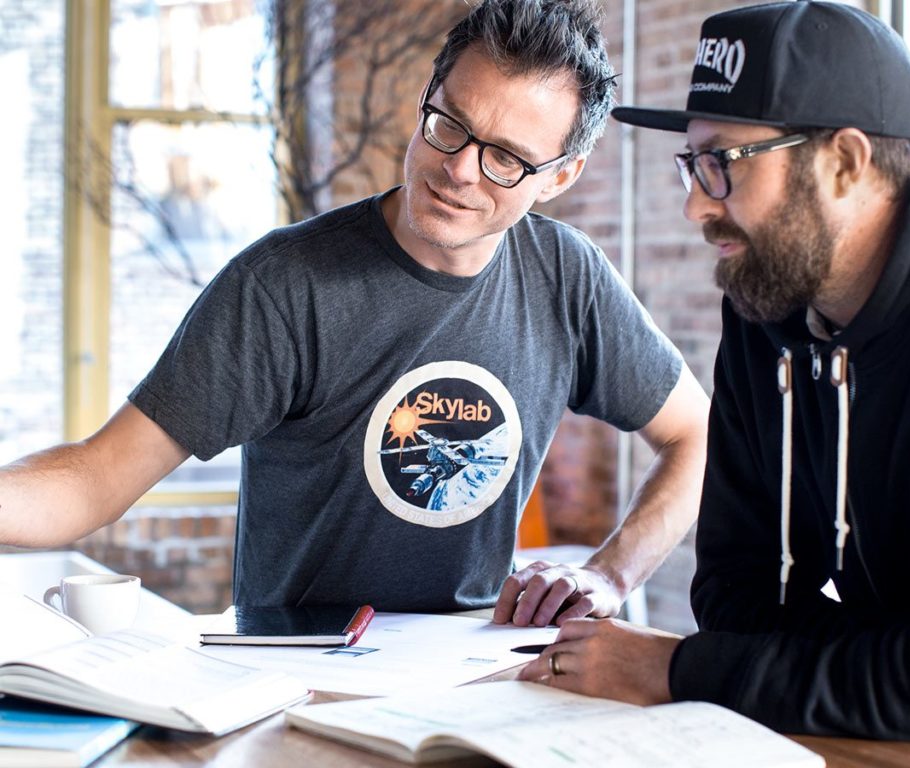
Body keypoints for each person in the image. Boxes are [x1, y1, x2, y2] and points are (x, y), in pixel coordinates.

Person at [0, 0, 709, 626]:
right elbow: (96, 478)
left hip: (476, 667)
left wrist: (611, 574)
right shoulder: (283, 285)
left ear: (561, 176)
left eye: (505, 159)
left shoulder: (568, 277)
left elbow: (696, 435)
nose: (460, 169)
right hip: (296, 671)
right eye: (450, 125)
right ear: (428, 97)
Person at [519, 0, 910, 743]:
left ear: (845, 162)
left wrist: (684, 671)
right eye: (692, 166)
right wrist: (901, 669)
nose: (696, 206)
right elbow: (734, 594)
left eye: (722, 165)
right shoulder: (771, 302)